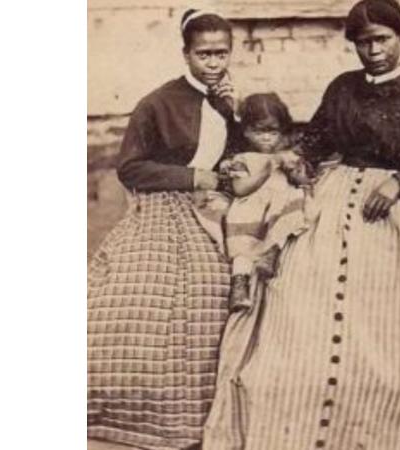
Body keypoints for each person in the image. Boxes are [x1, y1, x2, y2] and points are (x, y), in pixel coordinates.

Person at [202, 1, 400, 449]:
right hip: (333, 196)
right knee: (296, 286)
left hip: (399, 207)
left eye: (382, 40)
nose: (374, 51)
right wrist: (299, 159)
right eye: (363, 43)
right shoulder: (342, 88)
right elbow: (317, 140)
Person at [87, 9, 239, 450]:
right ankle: (149, 412)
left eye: (221, 53)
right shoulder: (157, 103)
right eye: (204, 54)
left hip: (214, 206)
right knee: (152, 296)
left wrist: (232, 115)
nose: (213, 63)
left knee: (232, 286)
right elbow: (130, 167)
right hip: (163, 207)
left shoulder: (225, 100)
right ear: (186, 54)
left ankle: (215, 415)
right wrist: (194, 177)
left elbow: (238, 156)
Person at [220, 93, 316, 312]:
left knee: (295, 201)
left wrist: (294, 169)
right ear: (246, 131)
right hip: (252, 206)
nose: (266, 138)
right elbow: (240, 188)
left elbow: (303, 181)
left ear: (283, 133)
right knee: (243, 245)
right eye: (259, 132)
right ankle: (240, 284)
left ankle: (272, 251)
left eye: (273, 132)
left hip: (278, 205)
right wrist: (267, 168)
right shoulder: (241, 159)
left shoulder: (286, 156)